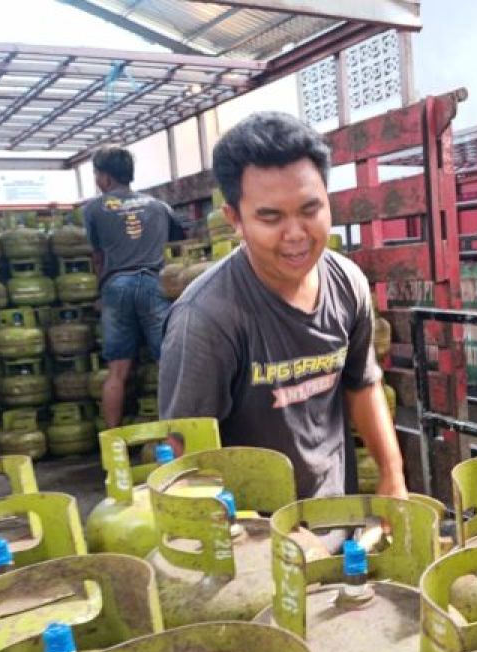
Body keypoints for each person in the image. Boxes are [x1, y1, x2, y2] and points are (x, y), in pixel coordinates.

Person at [158, 112, 406, 502]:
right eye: (270, 217)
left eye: (310, 210)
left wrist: (393, 478)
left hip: (338, 515)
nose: (295, 235)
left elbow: (363, 384)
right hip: (252, 536)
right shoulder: (206, 319)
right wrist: (251, 537)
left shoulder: (348, 283)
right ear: (235, 219)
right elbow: (184, 458)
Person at [84, 146, 186, 428]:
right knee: (169, 364)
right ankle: (176, 431)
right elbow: (180, 240)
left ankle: (114, 442)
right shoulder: (158, 207)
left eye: (97, 174)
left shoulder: (94, 209)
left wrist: (99, 293)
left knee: (117, 370)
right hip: (155, 283)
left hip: (116, 285)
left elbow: (98, 256)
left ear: (105, 177)